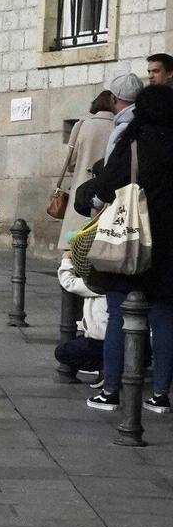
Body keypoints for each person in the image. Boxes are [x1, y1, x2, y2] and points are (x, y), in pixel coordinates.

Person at [85, 84, 173, 413]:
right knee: (164, 317)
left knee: (119, 313)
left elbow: (106, 186)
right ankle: (161, 394)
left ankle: (111, 389)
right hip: (169, 247)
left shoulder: (134, 141)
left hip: (131, 240)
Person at [53, 90, 117, 249]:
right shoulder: (118, 125)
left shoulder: (82, 125)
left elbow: (71, 162)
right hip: (108, 191)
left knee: (75, 241)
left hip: (82, 188)